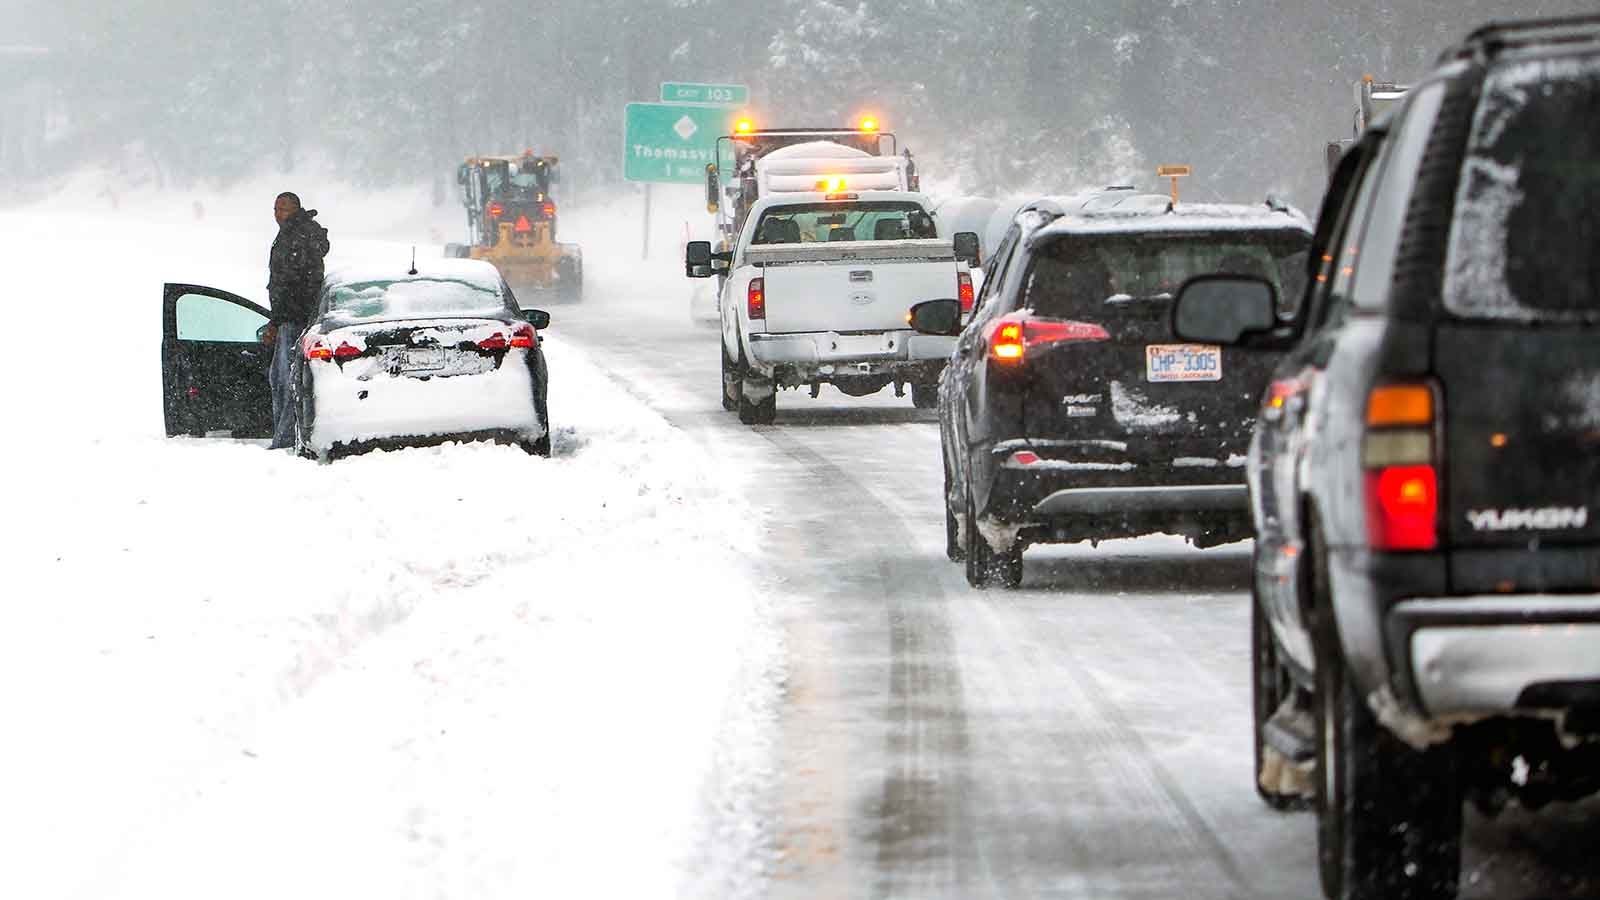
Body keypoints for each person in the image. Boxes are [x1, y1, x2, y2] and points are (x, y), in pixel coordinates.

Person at [262, 191, 330, 450]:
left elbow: (293, 283)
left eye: (283, 209)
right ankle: (284, 436)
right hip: (290, 317)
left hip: (294, 318)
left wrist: (278, 320)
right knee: (281, 378)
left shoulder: (298, 236)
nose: (278, 214)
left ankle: (286, 438)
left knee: (285, 380)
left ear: (296, 209)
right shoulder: (294, 233)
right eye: (276, 209)